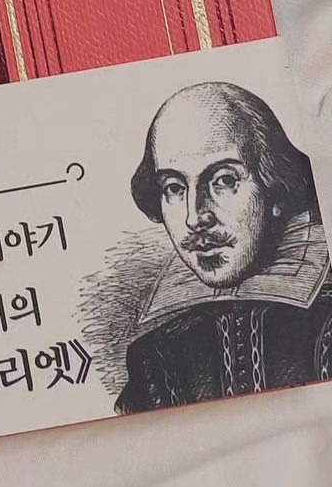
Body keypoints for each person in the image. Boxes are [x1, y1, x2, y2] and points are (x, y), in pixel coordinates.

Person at [116, 81, 332, 413]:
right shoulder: (154, 356)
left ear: (276, 187)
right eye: (174, 187)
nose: (194, 217)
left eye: (224, 180)